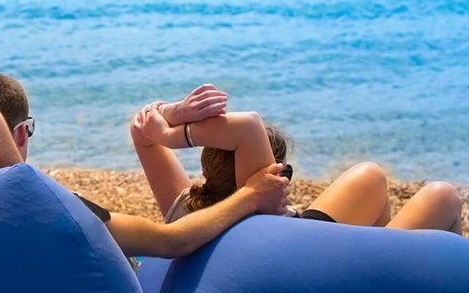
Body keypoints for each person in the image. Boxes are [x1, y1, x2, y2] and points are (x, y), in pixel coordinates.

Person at [0, 72, 291, 258]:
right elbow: (172, 242)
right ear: (21, 134)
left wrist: (174, 117)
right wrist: (252, 196)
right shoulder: (54, 210)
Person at [130, 84, 463, 234]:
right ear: (276, 175)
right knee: (443, 196)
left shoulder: (183, 209)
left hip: (310, 241)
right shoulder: (265, 210)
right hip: (315, 257)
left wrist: (174, 114)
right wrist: (172, 134)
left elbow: (140, 134)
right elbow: (248, 126)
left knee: (370, 175)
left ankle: (379, 249)